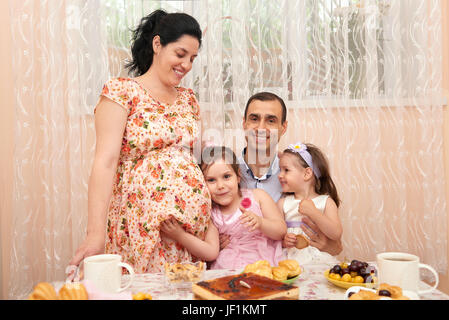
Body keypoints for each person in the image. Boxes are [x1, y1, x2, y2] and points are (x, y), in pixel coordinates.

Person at [68, 10, 212, 273]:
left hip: (189, 234)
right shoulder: (122, 91)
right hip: (139, 226)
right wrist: (94, 234)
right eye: (180, 54)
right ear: (157, 44)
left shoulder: (189, 99)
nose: (187, 65)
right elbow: (105, 162)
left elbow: (197, 162)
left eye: (192, 58)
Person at [224, 92, 343, 256]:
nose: (260, 128)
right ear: (244, 123)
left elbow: (337, 247)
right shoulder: (224, 174)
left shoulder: (297, 175)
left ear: (283, 127)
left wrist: (325, 245)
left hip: (285, 269)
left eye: (271, 120)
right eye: (254, 119)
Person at [160, 146, 287, 269]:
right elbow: (211, 252)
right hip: (231, 267)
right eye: (211, 180)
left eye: (226, 177)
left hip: (264, 262)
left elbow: (281, 231)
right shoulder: (212, 215)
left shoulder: (258, 196)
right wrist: (180, 235)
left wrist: (261, 222)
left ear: (237, 176)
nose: (220, 186)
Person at [278, 142, 342, 264]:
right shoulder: (283, 203)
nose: (280, 175)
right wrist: (284, 241)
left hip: (319, 260)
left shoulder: (325, 202)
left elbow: (336, 233)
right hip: (291, 260)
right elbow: (275, 235)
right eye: (280, 170)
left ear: (307, 173)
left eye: (286, 170)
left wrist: (314, 213)